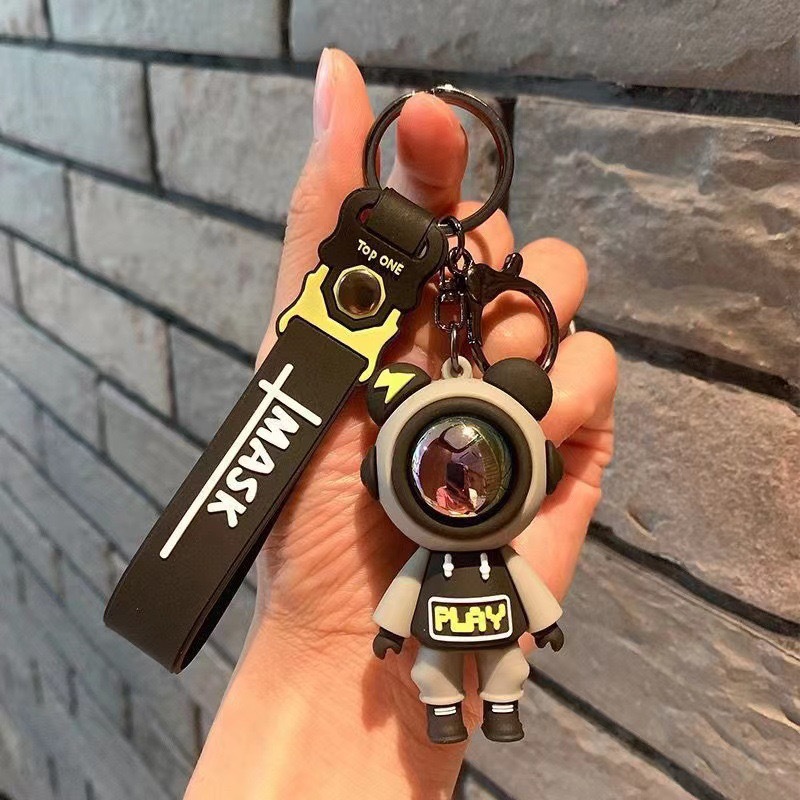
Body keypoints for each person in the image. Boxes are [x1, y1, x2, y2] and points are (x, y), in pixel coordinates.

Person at [184, 48, 617, 800]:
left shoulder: (487, 538)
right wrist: (350, 642)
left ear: (530, 472)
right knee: (436, 672)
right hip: (440, 625)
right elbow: (406, 584)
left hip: (478, 617)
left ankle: (495, 707)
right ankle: (444, 711)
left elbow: (509, 585)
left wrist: (538, 625)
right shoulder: (422, 542)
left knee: (502, 668)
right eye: (448, 474)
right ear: (380, 473)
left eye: (471, 474)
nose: (459, 484)